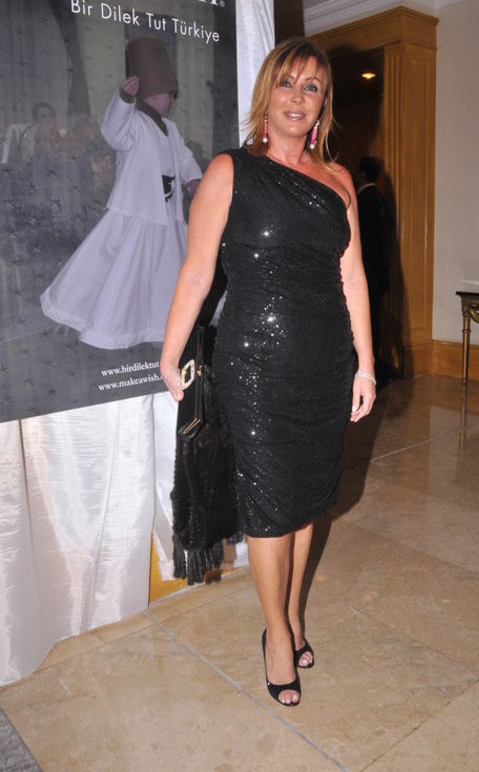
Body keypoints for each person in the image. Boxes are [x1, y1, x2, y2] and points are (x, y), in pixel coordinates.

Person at [160, 37, 375, 706]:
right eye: (287, 83)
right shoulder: (232, 170)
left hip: (324, 363)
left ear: (323, 105)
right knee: (269, 504)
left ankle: (293, 613)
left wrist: (365, 364)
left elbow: (353, 278)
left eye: (312, 88)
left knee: (308, 501)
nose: (297, 98)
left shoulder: (339, 181)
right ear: (267, 93)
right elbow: (198, 271)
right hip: (253, 365)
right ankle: (276, 633)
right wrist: (170, 351)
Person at [40, 36, 202, 349]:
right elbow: (112, 132)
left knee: (164, 275)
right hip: (136, 211)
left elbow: (184, 157)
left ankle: (157, 327)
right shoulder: (134, 124)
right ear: (153, 95)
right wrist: (123, 100)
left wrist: (193, 179)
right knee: (113, 267)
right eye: (167, 94)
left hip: (166, 215)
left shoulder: (171, 129)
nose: (170, 100)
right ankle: (81, 314)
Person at [355, 156, 394, 388]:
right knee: (374, 321)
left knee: (365, 322)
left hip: (365, 275)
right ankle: (377, 368)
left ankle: (375, 369)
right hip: (379, 274)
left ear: (361, 174)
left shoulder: (361, 201)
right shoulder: (381, 200)